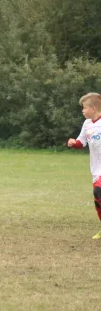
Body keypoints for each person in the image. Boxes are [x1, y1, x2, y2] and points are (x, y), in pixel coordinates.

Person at [67, 92, 101, 240]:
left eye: (84, 108)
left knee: (99, 192)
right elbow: (82, 143)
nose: (82, 111)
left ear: (93, 108)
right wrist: (74, 143)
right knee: (98, 200)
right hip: (96, 169)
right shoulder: (87, 124)